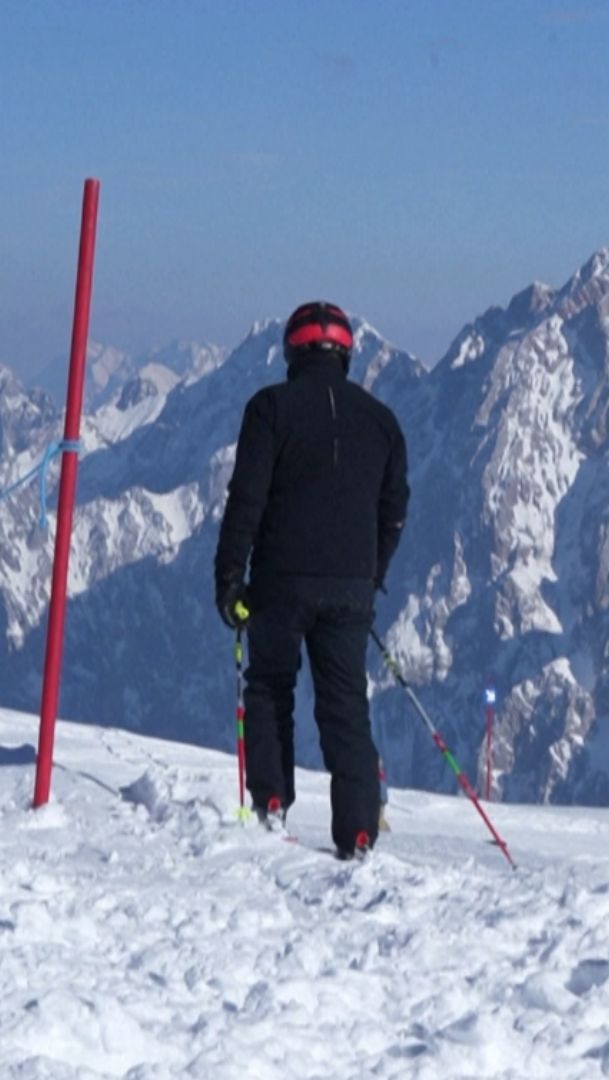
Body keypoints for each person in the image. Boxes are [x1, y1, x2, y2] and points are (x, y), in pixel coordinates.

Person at [214, 301, 410, 860]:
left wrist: (229, 578)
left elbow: (246, 499)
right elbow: (394, 509)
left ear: (292, 353)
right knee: (346, 705)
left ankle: (271, 802)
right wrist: (372, 573)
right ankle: (359, 833)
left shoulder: (270, 408)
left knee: (270, 685)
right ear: (346, 355)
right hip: (351, 586)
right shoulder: (382, 421)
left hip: (280, 578)